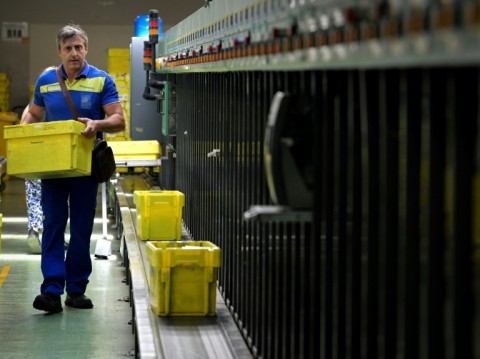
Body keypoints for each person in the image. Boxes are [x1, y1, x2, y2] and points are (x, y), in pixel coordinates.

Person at [21, 23, 125, 314]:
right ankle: (52, 291)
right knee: (53, 225)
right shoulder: (46, 81)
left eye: (79, 47)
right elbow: (34, 113)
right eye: (68, 48)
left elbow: (119, 120)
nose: (74, 53)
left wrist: (98, 124)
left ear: (86, 49)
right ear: (59, 51)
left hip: (84, 168)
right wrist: (20, 135)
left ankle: (76, 289)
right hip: (53, 169)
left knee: (81, 229)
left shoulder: (101, 80)